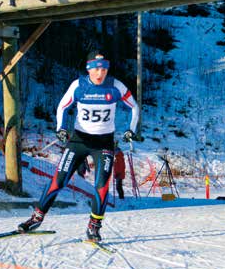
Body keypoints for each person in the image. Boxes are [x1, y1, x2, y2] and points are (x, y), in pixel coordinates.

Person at [18, 51, 139, 241]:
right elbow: (62, 107)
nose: (101, 74)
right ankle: (36, 217)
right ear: (89, 69)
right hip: (79, 141)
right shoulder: (78, 85)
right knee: (58, 181)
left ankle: (94, 226)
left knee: (101, 186)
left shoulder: (116, 86)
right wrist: (61, 128)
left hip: (104, 143)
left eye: (104, 69)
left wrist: (131, 129)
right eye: (97, 69)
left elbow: (134, 107)